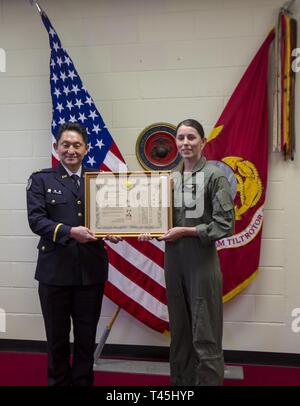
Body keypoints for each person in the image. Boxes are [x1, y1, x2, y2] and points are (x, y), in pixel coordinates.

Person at [140, 119, 235, 386]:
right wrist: (147, 227)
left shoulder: (216, 177)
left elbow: (225, 225)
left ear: (203, 142)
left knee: (205, 334)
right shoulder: (171, 180)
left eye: (191, 137)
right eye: (180, 138)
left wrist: (186, 232)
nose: (185, 143)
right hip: (173, 260)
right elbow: (158, 219)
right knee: (180, 333)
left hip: (201, 261)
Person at [26, 122, 119, 386]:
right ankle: (58, 382)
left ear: (86, 148)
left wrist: (112, 231)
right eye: (65, 144)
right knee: (56, 338)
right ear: (56, 148)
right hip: (54, 272)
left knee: (86, 337)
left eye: (77, 145)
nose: (71, 150)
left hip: (90, 272)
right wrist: (69, 231)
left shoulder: (99, 180)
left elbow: (109, 219)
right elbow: (36, 221)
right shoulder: (41, 179)